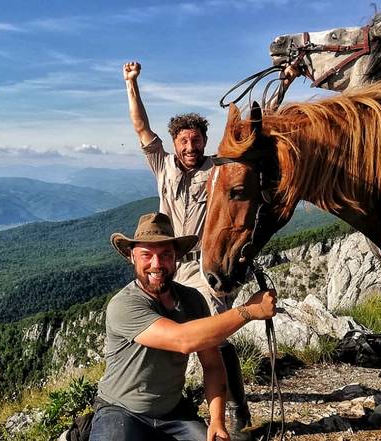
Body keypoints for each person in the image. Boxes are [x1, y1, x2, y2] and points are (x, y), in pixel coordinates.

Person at [123, 61, 253, 437]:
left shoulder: (219, 170)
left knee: (211, 332)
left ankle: (236, 411)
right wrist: (131, 84)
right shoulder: (162, 164)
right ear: (175, 142)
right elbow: (140, 127)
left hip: (206, 265)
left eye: (196, 140)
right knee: (167, 330)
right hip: (167, 263)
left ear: (204, 141)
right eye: (184, 141)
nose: (190, 146)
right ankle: (167, 401)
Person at [90, 212, 277, 441]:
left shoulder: (192, 300)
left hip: (173, 413)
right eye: (147, 255)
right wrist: (248, 311)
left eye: (166, 255)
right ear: (132, 256)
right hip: (121, 410)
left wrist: (216, 421)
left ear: (176, 257)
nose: (157, 264)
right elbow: (183, 340)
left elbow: (212, 365)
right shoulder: (124, 304)